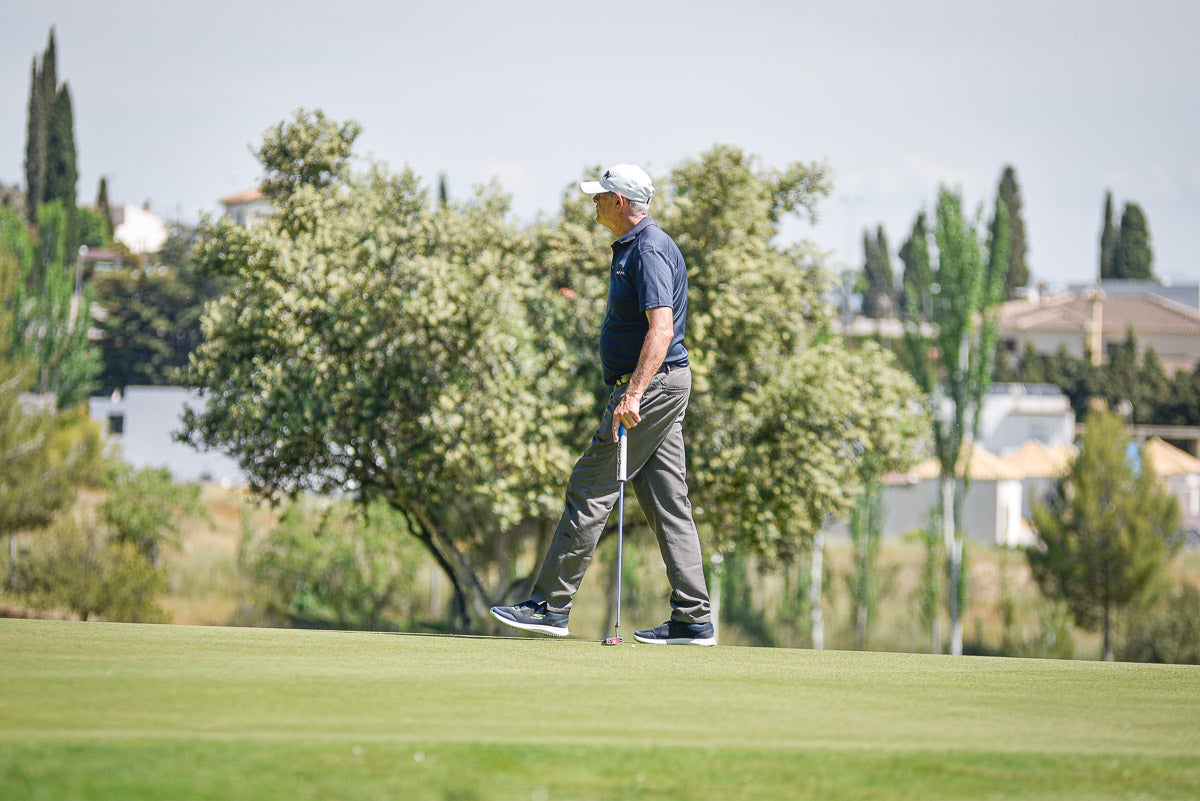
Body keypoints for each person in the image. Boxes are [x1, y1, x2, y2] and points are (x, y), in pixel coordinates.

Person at [490, 163, 714, 646]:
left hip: (649, 388)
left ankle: (550, 606)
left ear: (620, 202)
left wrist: (632, 394)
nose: (593, 202)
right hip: (662, 384)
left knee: (590, 486)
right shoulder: (638, 247)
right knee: (668, 502)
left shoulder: (648, 249)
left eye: (600, 195)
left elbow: (661, 329)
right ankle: (693, 618)